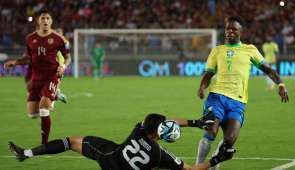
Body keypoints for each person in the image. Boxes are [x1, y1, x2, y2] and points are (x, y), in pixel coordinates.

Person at [195, 16, 289, 170]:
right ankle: (198, 165)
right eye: (227, 28)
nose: (230, 31)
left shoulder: (250, 49)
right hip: (216, 97)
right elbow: (208, 74)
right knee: (211, 129)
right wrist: (201, 88)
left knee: (230, 140)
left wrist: (280, 83)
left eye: (233, 28)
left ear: (241, 32)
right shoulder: (217, 50)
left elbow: (268, 69)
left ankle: (215, 159)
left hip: (237, 101)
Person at [8, 113, 236, 170]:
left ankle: (26, 153)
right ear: (160, 133)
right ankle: (26, 154)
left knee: (69, 141)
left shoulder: (138, 129)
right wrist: (217, 159)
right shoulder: (161, 154)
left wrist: (194, 122)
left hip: (109, 156)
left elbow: (163, 121)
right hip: (124, 165)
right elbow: (191, 169)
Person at [4, 9, 71, 144]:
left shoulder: (59, 39)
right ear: (38, 21)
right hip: (36, 78)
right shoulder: (30, 38)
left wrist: (63, 67)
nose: (45, 20)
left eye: (48, 18)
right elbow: (28, 58)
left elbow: (68, 57)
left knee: (43, 110)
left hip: (52, 76)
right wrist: (16, 62)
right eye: (43, 18)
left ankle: (44, 144)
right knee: (32, 115)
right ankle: (56, 96)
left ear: (51, 21)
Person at [49, 28, 69, 111]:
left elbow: (66, 55)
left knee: (54, 85)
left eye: (59, 32)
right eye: (57, 32)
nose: (58, 34)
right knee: (51, 85)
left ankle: (51, 105)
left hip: (59, 67)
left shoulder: (65, 42)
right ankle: (58, 94)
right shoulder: (52, 41)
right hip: (51, 66)